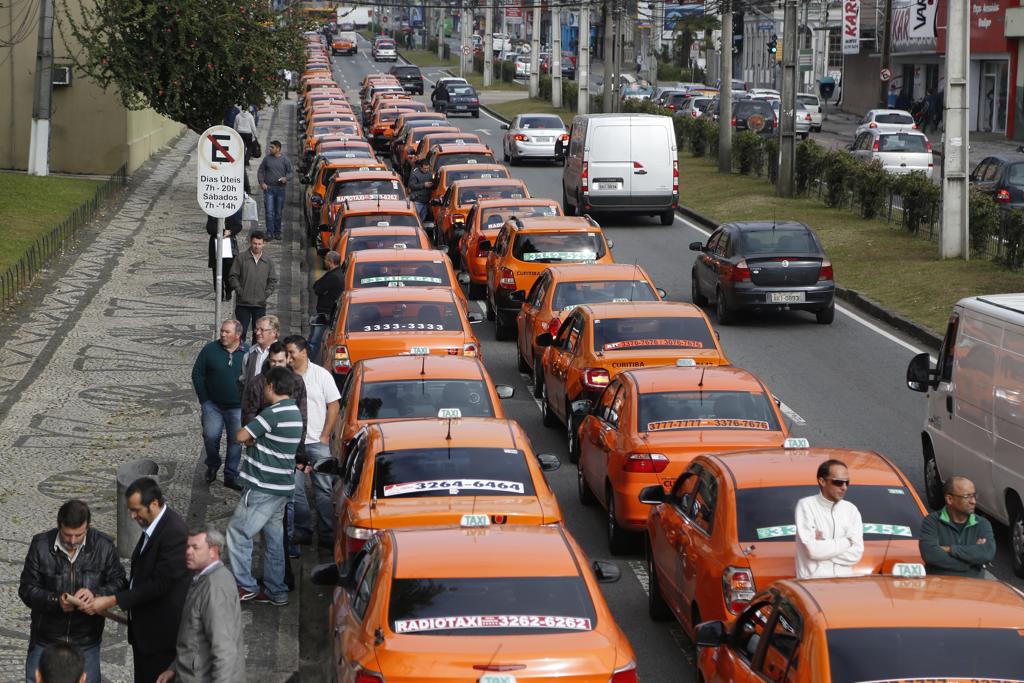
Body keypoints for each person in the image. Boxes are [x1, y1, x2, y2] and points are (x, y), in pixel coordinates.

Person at [85, 478, 190, 683]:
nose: (132, 516)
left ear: (154, 504)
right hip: (146, 634)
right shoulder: (155, 527)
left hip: (161, 637)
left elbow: (159, 584)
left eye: (136, 510)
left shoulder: (174, 532)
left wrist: (113, 600)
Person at [19, 500, 126, 683]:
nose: (73, 541)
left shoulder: (104, 546)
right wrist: (55, 600)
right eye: (67, 535)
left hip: (86, 639)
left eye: (79, 535)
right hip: (46, 638)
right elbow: (27, 589)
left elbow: (120, 582)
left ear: (88, 527)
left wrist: (96, 594)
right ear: (59, 525)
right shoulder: (41, 545)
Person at [228, 366, 303, 606]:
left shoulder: (273, 413)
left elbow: (240, 436)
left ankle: (246, 586)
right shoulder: (294, 412)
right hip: (282, 488)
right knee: (273, 541)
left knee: (238, 533)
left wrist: (252, 440)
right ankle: (277, 590)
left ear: (271, 386)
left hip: (262, 487)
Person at [240, 342, 309, 562]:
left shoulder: (294, 386)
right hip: (267, 457)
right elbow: (248, 412)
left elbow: (302, 419)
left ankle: (256, 579)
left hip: (271, 471)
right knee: (273, 529)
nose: (276, 365)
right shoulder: (257, 383)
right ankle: (276, 583)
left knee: (245, 532)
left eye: (280, 361)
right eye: (273, 361)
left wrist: (300, 454)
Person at [155, 527, 245, 683]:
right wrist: (174, 668)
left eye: (195, 547)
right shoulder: (204, 578)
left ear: (213, 551)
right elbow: (194, 638)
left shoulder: (215, 587)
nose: (188, 552)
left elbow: (224, 651)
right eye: (187, 547)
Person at [284, 335, 340, 549]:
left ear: (304, 352)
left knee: (324, 490)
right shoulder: (285, 377)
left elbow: (333, 405)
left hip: (317, 441)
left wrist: (325, 435)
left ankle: (326, 534)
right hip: (293, 443)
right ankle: (303, 529)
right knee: (295, 490)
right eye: (286, 353)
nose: (288, 357)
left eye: (291, 352)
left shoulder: (321, 375)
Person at [191, 319, 247, 489]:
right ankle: (213, 463)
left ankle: (231, 474)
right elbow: (197, 374)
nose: (222, 334)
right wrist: (204, 400)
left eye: (227, 332)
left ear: (237, 335)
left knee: (236, 441)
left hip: (237, 407)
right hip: (213, 405)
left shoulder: (248, 353)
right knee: (210, 436)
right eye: (222, 331)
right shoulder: (210, 350)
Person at [794, 459, 864, 579]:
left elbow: (856, 554)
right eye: (838, 482)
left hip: (844, 586)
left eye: (847, 482)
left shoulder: (851, 510)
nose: (844, 487)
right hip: (813, 587)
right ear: (822, 481)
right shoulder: (806, 505)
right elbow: (812, 551)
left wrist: (823, 546)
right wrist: (847, 542)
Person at [919, 476, 995, 577]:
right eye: (967, 496)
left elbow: (987, 553)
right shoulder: (931, 521)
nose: (973, 501)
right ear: (950, 499)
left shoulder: (982, 524)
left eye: (974, 495)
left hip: (973, 588)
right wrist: (970, 562)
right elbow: (931, 554)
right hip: (939, 587)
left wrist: (950, 549)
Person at [228, 231, 277, 344]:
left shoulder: (268, 261)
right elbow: (232, 276)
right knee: (240, 333)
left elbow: (272, 280)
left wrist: (266, 293)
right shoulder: (241, 258)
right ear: (250, 242)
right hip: (243, 303)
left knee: (259, 335)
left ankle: (255, 358)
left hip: (259, 304)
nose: (257, 246)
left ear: (264, 244)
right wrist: (239, 290)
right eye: (254, 243)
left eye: (259, 244)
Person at [309, 251, 345, 362]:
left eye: (326, 260)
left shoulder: (333, 276)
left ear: (331, 262)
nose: (324, 261)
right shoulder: (336, 273)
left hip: (325, 313)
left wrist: (320, 289)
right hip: (326, 312)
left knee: (314, 341)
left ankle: (307, 361)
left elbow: (317, 287)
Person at [256, 141, 292, 241]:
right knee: (269, 212)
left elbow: (290, 172)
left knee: (278, 212)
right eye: (270, 147)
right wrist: (261, 182)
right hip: (269, 189)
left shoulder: (285, 160)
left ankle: (277, 231)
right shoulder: (267, 159)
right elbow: (260, 171)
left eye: (272, 147)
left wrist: (286, 178)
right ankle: (269, 232)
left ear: (278, 149)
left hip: (280, 189)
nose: (270, 149)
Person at [206, 211, 242, 303]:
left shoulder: (233, 211)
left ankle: (229, 291)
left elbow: (238, 226)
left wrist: (229, 232)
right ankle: (219, 294)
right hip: (216, 244)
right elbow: (210, 228)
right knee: (216, 270)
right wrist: (222, 232)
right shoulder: (213, 213)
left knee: (229, 270)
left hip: (229, 244)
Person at [240, 315, 280, 387]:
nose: (257, 333)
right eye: (256, 329)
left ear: (274, 332)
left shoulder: (283, 353)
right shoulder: (249, 354)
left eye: (262, 330)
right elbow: (243, 380)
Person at [408, 158, 434, 225]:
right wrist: (424, 185)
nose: (426, 170)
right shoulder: (415, 174)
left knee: (423, 219)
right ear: (420, 167)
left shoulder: (430, 174)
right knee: (415, 218)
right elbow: (411, 185)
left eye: (427, 168)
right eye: (425, 168)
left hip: (426, 201)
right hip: (417, 200)